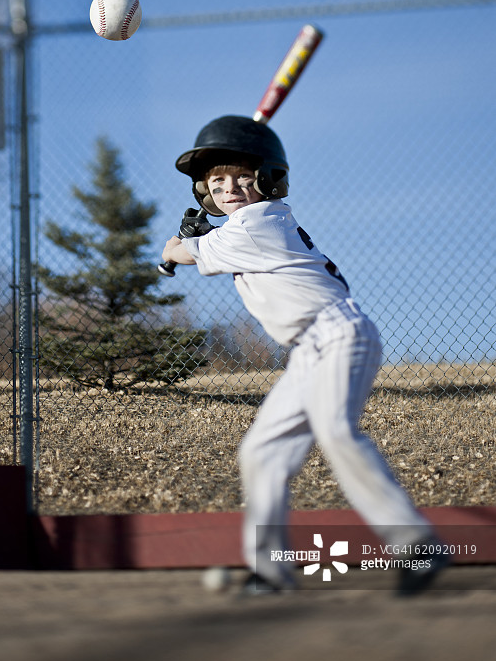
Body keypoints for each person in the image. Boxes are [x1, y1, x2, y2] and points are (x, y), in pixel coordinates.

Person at [162, 115, 448, 596]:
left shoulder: (258, 223)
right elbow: (212, 245)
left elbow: (190, 254)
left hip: (338, 335)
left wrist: (175, 247)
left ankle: (416, 544)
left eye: (243, 177)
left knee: (336, 431)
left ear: (269, 179)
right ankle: (270, 571)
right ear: (204, 191)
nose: (230, 189)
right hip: (309, 351)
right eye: (217, 181)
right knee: (262, 451)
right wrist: (201, 237)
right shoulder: (248, 226)